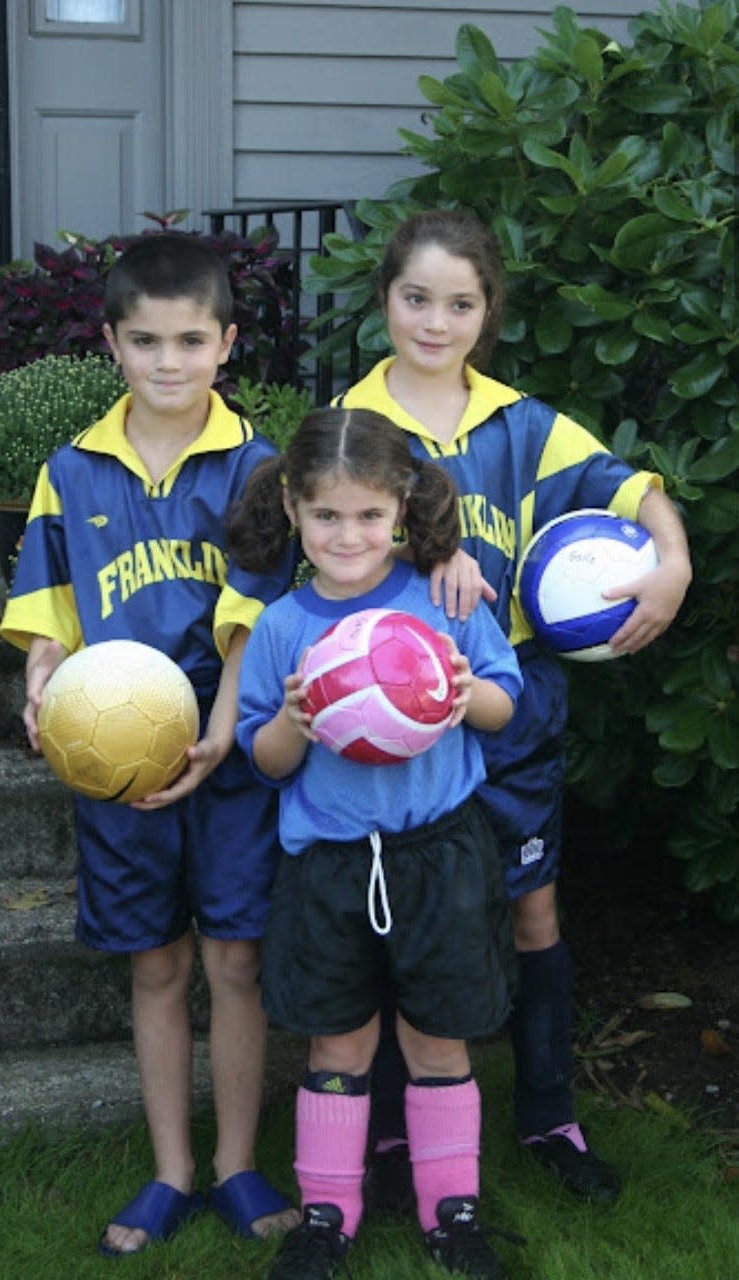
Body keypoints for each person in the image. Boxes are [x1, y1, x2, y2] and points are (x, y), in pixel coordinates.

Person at [334, 208, 693, 1208]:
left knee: (531, 910)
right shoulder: (354, 424)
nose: (435, 321)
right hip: (391, 708)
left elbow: (631, 487)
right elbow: (323, 547)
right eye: (416, 298)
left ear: (487, 312)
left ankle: (547, 1111)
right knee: (395, 917)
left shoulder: (525, 424)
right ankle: (401, 1127)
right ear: (384, 300)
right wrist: (420, 545)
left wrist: (672, 556)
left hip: (515, 703)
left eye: (459, 302)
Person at [0, 231, 300, 1257]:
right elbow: (47, 606)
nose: (168, 361)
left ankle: (237, 1162)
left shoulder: (258, 466)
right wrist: (42, 673)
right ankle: (172, 1165)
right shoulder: (71, 467)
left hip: (226, 745)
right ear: (111, 345)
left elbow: (252, 613)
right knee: (158, 963)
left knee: (234, 955)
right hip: (117, 754)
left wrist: (219, 736)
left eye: (188, 340)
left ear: (225, 343)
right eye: (145, 342)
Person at [229, 407, 525, 1280]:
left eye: (366, 515)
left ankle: (453, 1214)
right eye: (326, 516)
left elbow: (506, 709)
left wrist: (462, 690)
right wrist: (293, 720)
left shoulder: (443, 596)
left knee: (439, 1041)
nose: (347, 535)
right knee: (338, 1045)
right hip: (329, 867)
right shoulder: (284, 625)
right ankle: (328, 1215)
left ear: (400, 506)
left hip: (440, 853)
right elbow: (265, 759)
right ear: (292, 510)